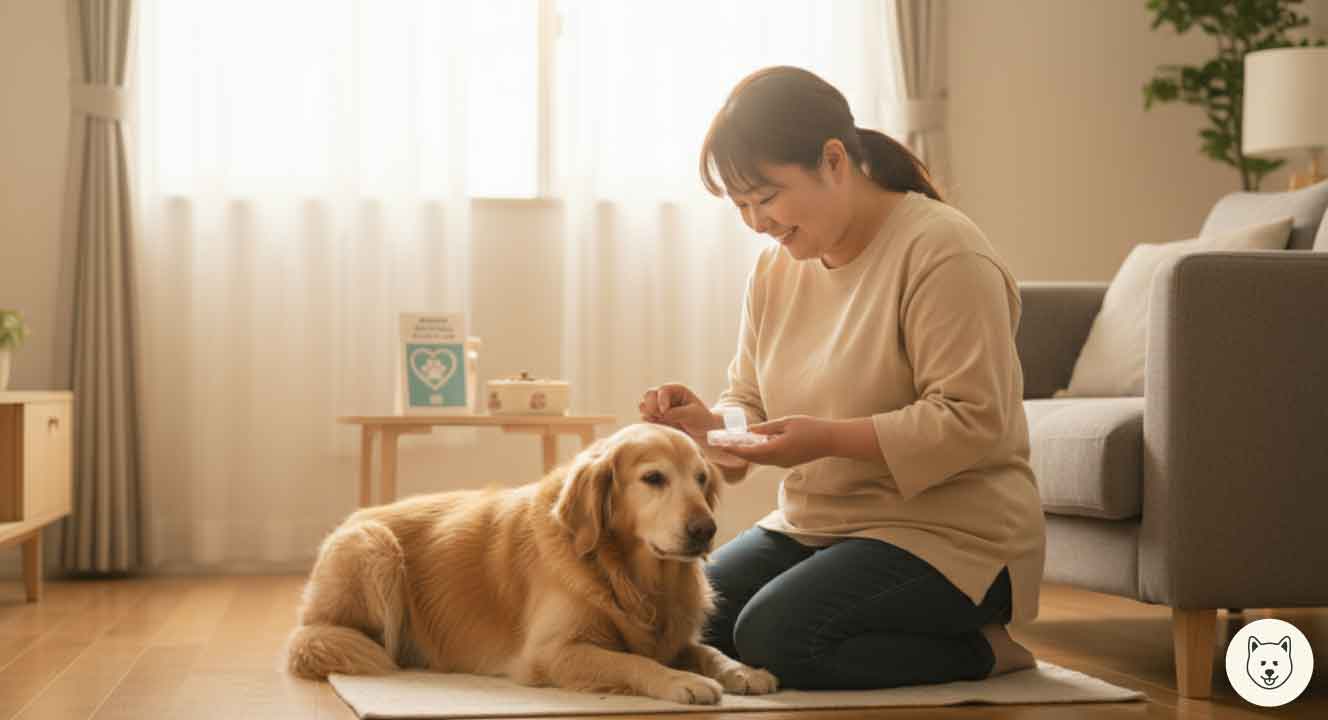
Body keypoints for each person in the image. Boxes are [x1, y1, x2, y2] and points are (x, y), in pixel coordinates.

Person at [637, 66, 1045, 691]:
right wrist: (709, 427)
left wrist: (824, 439)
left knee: (778, 638)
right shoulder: (776, 271)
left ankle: (986, 651)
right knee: (678, 620)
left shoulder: (944, 252)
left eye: (766, 197)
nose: (756, 222)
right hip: (815, 525)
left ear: (832, 160)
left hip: (953, 537)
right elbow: (748, 404)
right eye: (741, 205)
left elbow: (972, 419)